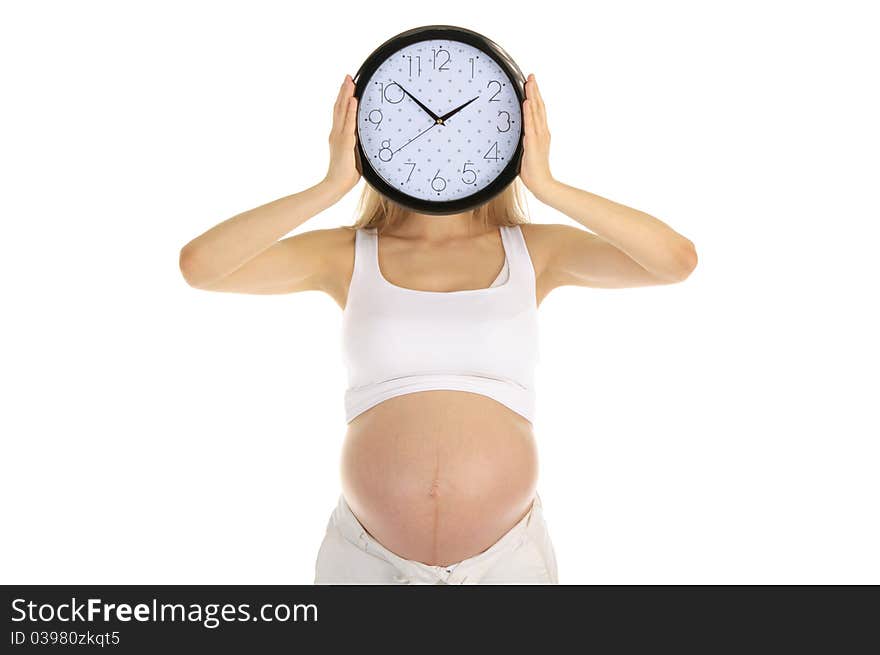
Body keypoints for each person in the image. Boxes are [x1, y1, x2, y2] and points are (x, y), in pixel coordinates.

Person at [178, 72, 698, 584]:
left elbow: (674, 261)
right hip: (366, 561)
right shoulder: (346, 254)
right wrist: (329, 187)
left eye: (470, 123)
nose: (443, 136)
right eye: (415, 120)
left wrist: (548, 186)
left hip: (507, 562)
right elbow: (201, 267)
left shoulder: (535, 251)